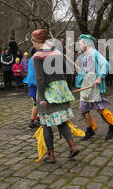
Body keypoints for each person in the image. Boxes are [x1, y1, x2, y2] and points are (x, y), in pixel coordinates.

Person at [31, 29, 80, 163]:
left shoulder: (37, 56)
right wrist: (67, 88)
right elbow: (69, 71)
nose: (33, 46)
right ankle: (72, 146)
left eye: (33, 43)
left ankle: (51, 155)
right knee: (61, 120)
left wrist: (41, 97)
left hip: (48, 92)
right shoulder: (57, 53)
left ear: (37, 42)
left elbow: (40, 79)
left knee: (46, 123)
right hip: (61, 90)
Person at [76, 34, 113, 141]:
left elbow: (105, 64)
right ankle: (89, 129)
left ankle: (112, 127)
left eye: (81, 43)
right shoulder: (85, 55)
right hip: (86, 84)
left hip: (94, 85)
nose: (80, 46)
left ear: (87, 43)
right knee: (83, 108)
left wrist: (100, 77)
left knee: (99, 108)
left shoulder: (94, 53)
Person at [24, 47, 40, 129]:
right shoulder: (36, 59)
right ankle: (36, 120)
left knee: (36, 103)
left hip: (31, 84)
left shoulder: (31, 60)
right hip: (35, 84)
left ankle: (34, 120)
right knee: (39, 103)